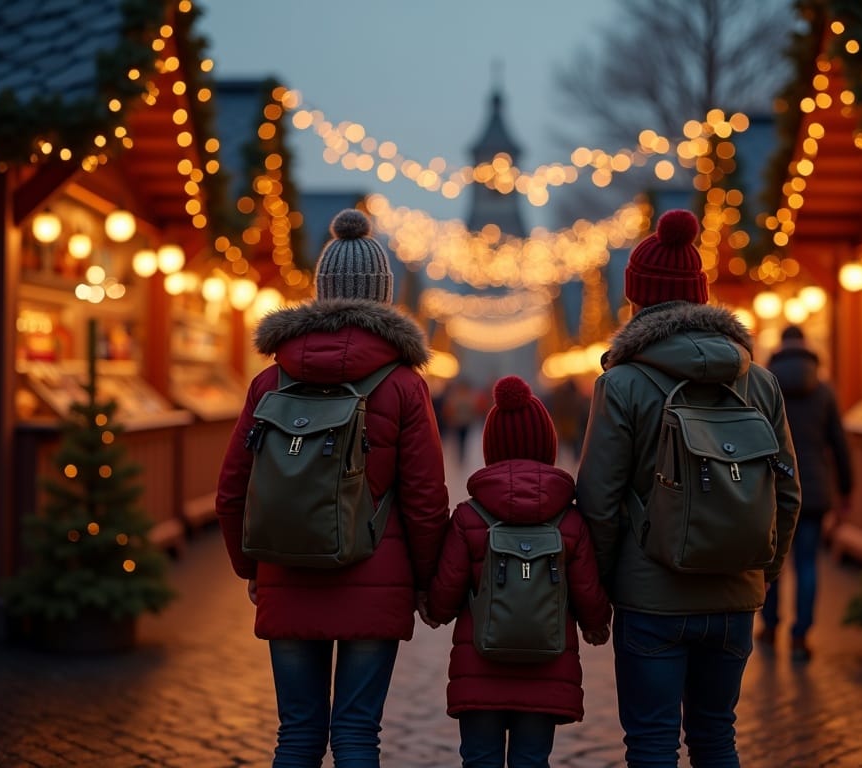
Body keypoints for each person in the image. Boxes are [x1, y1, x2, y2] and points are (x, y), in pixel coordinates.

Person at [215, 208, 449, 767]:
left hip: (286, 569)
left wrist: (252, 568)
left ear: (320, 292)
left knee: (296, 734)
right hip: (377, 573)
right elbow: (424, 499)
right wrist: (424, 584)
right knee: (356, 735)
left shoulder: (270, 380)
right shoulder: (402, 385)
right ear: (384, 296)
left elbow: (232, 488)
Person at [575, 209, 801, 768]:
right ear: (700, 297)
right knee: (716, 736)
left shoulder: (622, 382)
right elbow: (788, 492)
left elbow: (598, 501)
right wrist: (761, 573)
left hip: (650, 594)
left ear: (637, 301)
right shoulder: (759, 379)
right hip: (733, 593)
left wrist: (603, 587)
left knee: (652, 742)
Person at [427, 375, 612, 768]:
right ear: (548, 445)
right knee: (532, 758)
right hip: (547, 662)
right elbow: (588, 593)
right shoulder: (570, 519)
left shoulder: (468, 517)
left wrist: (433, 609)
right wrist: (596, 625)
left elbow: (444, 597)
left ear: (490, 447)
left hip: (478, 662)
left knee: (479, 758)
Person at [759, 324, 853, 662]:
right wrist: (846, 491)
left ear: (781, 347)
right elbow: (839, 447)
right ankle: (801, 636)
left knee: (770, 563)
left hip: (770, 490)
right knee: (808, 565)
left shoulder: (763, 386)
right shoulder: (825, 391)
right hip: (813, 491)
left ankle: (769, 626)